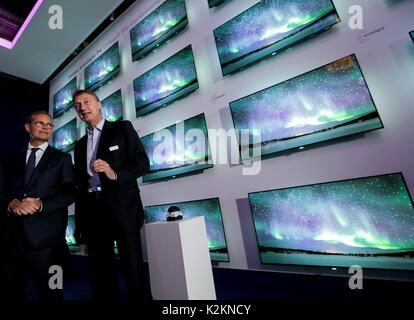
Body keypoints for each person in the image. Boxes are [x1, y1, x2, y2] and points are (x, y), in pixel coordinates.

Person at [72, 89, 151, 301]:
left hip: (122, 207)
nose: (82, 107)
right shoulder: (79, 145)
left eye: (86, 101)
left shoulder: (122, 128)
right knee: (101, 269)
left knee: (132, 266)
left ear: (99, 104)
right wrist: (80, 222)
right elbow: (80, 186)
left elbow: (143, 164)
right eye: (77, 105)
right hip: (93, 210)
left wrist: (114, 173)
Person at [0, 111, 75, 301]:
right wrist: (12, 203)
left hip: (49, 244)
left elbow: (70, 194)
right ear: (28, 127)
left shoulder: (62, 159)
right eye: (40, 123)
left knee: (53, 293)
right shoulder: (8, 160)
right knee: (11, 292)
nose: (45, 127)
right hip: (12, 241)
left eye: (49, 125)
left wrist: (40, 205)